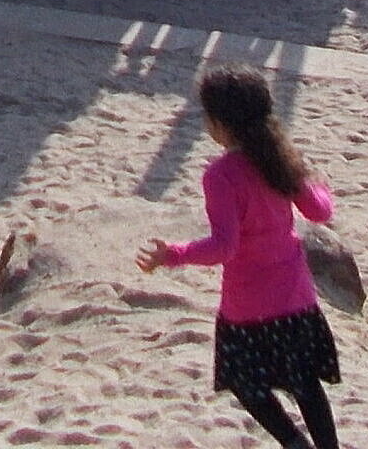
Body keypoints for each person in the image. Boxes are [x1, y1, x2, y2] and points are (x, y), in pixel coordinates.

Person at [137, 65, 341, 449]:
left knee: (246, 382)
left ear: (220, 124)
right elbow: (319, 210)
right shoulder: (281, 158)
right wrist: (321, 186)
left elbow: (224, 247)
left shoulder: (221, 175)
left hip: (247, 304)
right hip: (296, 297)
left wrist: (174, 254)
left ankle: (294, 442)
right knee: (305, 382)